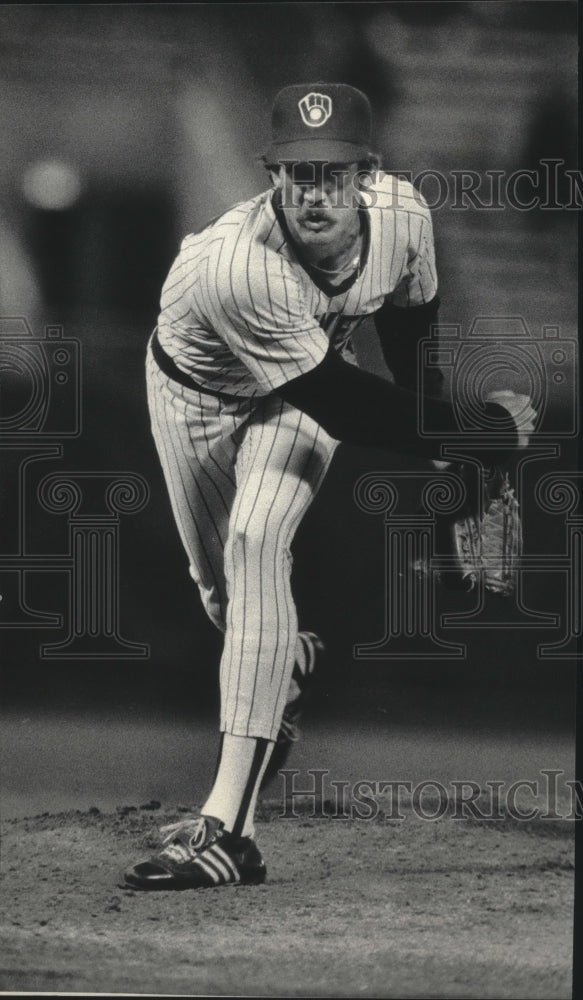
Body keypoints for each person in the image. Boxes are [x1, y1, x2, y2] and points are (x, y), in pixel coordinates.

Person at [123, 83, 535, 891]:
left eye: (335, 174)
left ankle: (225, 830)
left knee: (256, 538)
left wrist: (457, 466)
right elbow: (346, 405)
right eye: (298, 173)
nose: (316, 193)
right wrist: (485, 435)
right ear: (271, 177)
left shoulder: (405, 217)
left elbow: (410, 352)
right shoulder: (237, 265)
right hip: (194, 396)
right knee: (224, 598)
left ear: (368, 174)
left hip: (304, 382)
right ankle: (285, 664)